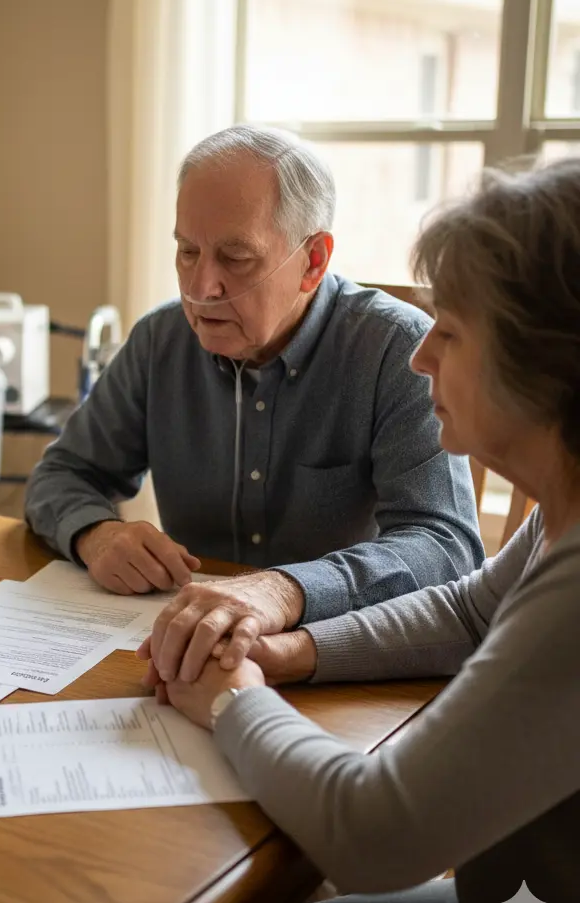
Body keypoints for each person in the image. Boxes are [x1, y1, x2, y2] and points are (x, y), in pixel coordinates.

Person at [156, 159, 580, 903]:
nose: (423, 360)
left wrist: (232, 699)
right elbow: (467, 610)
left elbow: (374, 834)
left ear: (546, 366)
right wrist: (285, 656)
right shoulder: (566, 505)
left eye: (450, 333)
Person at [26, 125, 483, 681]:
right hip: (192, 660)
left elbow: (445, 547)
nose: (202, 287)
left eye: (235, 257)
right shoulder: (159, 341)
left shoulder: (397, 352)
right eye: (187, 252)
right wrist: (96, 534)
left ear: (313, 261)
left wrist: (285, 589)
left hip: (340, 666)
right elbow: (62, 475)